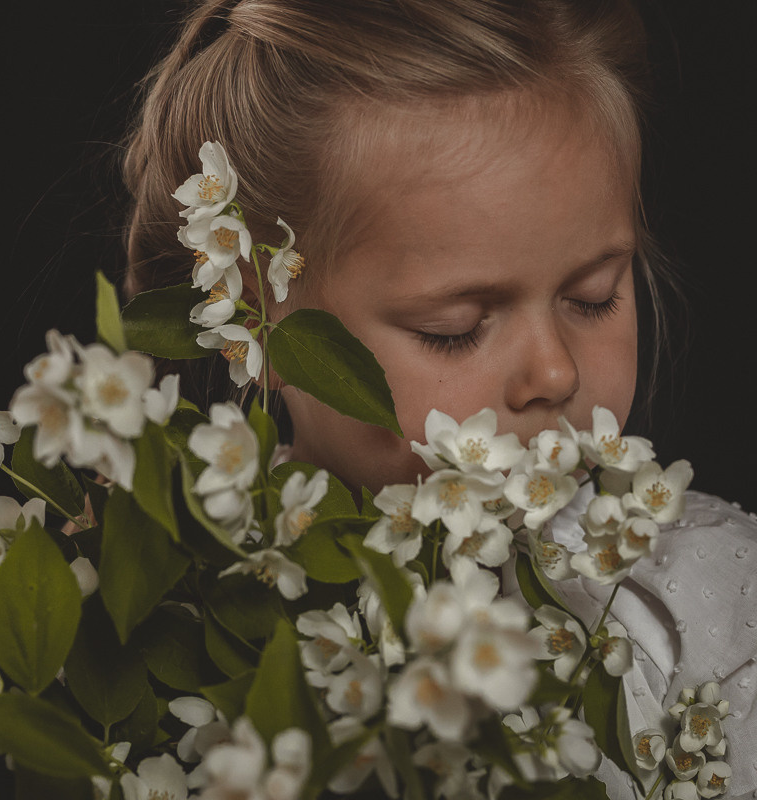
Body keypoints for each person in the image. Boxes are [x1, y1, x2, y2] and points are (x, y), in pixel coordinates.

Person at [119, 1, 756, 796]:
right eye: (453, 331)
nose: (556, 374)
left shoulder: (704, 616)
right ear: (259, 318)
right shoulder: (172, 621)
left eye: (593, 297)